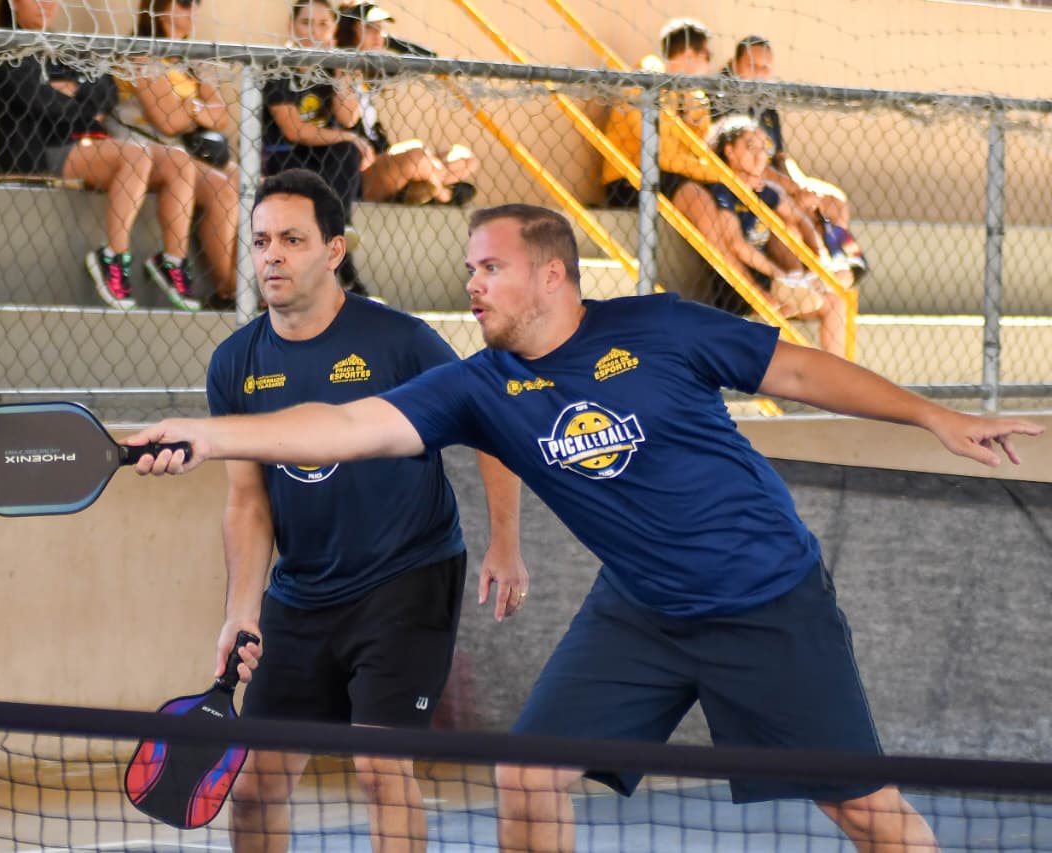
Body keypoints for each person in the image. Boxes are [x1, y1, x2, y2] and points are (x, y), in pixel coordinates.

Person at [125, 202, 1043, 853]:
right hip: (640, 613)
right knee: (526, 773)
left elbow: (799, 373)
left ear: (552, 273)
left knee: (864, 813)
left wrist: (934, 416)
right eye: (469, 268)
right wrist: (202, 435)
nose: (472, 284)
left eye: (490, 267)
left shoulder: (661, 328)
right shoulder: (478, 384)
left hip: (764, 604)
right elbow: (348, 426)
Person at [201, 168, 528, 853]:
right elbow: (247, 499)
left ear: (334, 249)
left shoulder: (398, 342)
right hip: (303, 590)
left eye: (293, 239)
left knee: (381, 771)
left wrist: (505, 542)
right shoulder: (235, 363)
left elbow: (490, 425)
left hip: (407, 576)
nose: (273, 256)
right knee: (256, 787)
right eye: (261, 241)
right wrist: (242, 609)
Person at [0, 0, 203, 310]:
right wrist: (82, 105)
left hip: (89, 147)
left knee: (177, 161)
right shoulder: (2, 47)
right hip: (40, 153)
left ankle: (173, 261)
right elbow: (38, 102)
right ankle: (112, 256)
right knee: (135, 155)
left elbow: (105, 90)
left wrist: (72, 92)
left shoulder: (64, 45)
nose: (46, 4)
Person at [110, 0, 241, 309]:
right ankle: (204, 277)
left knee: (238, 180)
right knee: (210, 180)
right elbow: (166, 121)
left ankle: (238, 284)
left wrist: (188, 108)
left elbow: (222, 117)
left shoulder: (193, 57)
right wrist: (198, 109)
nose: (193, 9)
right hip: (142, 149)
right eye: (184, 2)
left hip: (180, 154)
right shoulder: (140, 52)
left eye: (197, 3)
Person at [712, 35, 868, 279]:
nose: (761, 73)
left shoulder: (765, 102)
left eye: (766, 68)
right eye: (754, 66)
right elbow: (747, 163)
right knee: (791, 212)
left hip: (778, 176)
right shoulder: (721, 98)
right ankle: (810, 276)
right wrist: (793, 188)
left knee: (833, 201)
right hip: (748, 180)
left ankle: (840, 259)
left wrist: (801, 183)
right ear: (735, 64)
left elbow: (780, 156)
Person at [704, 115, 849, 356]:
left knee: (836, 302)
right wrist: (781, 277)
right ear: (729, 151)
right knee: (796, 302)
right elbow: (737, 245)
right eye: (750, 147)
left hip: (775, 284)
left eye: (764, 147)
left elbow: (800, 219)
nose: (760, 155)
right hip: (743, 289)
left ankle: (841, 378)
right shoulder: (723, 191)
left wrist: (820, 258)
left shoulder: (764, 191)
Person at [262, 0, 373, 295]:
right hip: (283, 160)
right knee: (346, 146)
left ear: (334, 30)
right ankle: (347, 273)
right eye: (306, 23)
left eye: (323, 25)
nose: (314, 32)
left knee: (347, 153)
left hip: (322, 164)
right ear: (291, 26)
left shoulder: (329, 69)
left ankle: (340, 233)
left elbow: (348, 117)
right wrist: (347, 138)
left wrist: (340, 72)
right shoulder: (278, 67)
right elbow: (294, 129)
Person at [333, 2, 479, 206]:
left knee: (465, 158)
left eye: (381, 29)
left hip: (385, 160)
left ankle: (424, 187)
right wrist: (353, 57)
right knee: (417, 157)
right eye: (371, 29)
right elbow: (347, 119)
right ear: (351, 32)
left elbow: (428, 58)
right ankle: (443, 194)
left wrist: (385, 41)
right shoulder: (336, 70)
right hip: (361, 172)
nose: (379, 35)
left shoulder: (373, 71)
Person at [599, 18, 721, 236]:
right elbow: (661, 154)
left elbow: (704, 148)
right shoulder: (649, 77)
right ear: (689, 54)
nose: (709, 65)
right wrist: (717, 174)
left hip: (673, 173)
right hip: (630, 177)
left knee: (729, 200)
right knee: (699, 197)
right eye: (707, 56)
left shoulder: (693, 95)